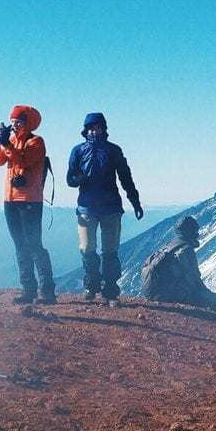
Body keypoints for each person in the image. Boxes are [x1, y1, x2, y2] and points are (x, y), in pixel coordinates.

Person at [66, 111, 141, 303]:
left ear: (103, 128)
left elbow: (125, 177)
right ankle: (91, 286)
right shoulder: (78, 151)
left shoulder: (113, 150)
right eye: (91, 128)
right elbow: (70, 179)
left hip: (110, 208)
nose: (94, 131)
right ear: (85, 130)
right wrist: (78, 179)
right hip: (87, 208)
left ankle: (110, 292)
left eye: (97, 127)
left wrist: (135, 201)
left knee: (110, 251)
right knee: (87, 248)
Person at [0, 106, 57, 305]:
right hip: (10, 200)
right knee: (20, 246)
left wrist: (6, 144)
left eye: (18, 122)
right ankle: (28, 289)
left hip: (30, 201)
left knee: (34, 245)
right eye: (12, 122)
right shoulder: (10, 140)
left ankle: (47, 290)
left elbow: (23, 160)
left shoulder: (36, 142)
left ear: (28, 123)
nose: (14, 125)